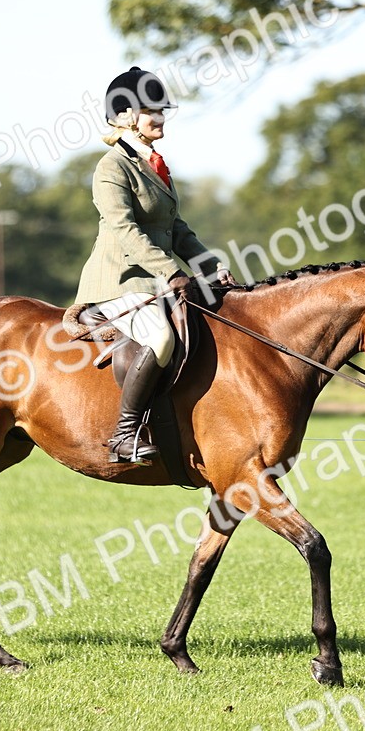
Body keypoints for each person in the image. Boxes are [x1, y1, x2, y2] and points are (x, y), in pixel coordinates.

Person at [75, 66, 237, 464]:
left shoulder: (155, 165)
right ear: (127, 116)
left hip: (156, 283)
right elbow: (126, 230)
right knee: (161, 338)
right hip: (118, 284)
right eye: (152, 111)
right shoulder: (111, 167)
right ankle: (125, 434)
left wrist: (211, 266)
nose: (161, 118)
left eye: (163, 110)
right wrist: (173, 271)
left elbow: (176, 229)